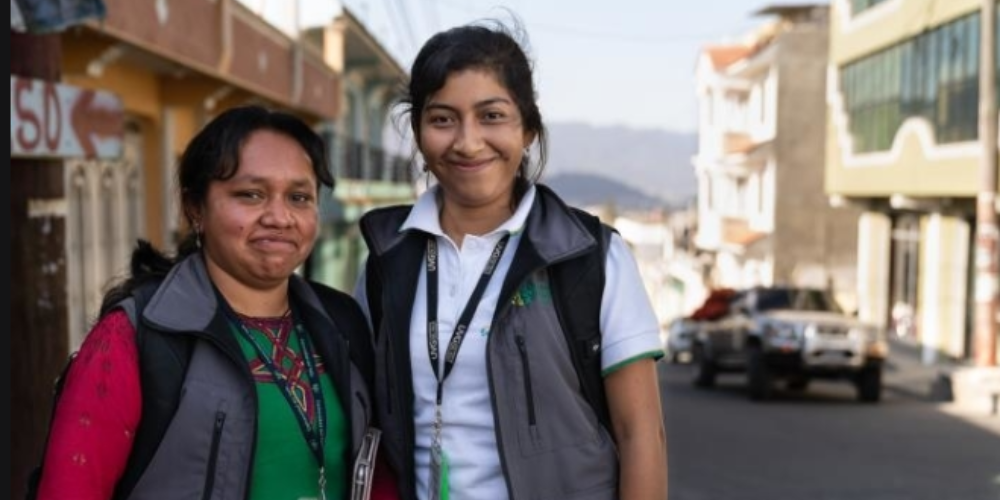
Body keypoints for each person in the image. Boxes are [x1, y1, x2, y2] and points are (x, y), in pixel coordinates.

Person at [356, 21, 668, 500]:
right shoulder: (387, 260)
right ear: (418, 133)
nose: (467, 141)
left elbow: (641, 434)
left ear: (528, 129)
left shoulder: (591, 256)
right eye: (442, 119)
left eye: (492, 116)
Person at [34, 105, 390, 500]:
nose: (279, 216)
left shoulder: (342, 322)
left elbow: (379, 473)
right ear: (195, 208)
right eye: (251, 195)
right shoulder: (135, 336)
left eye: (299, 197)